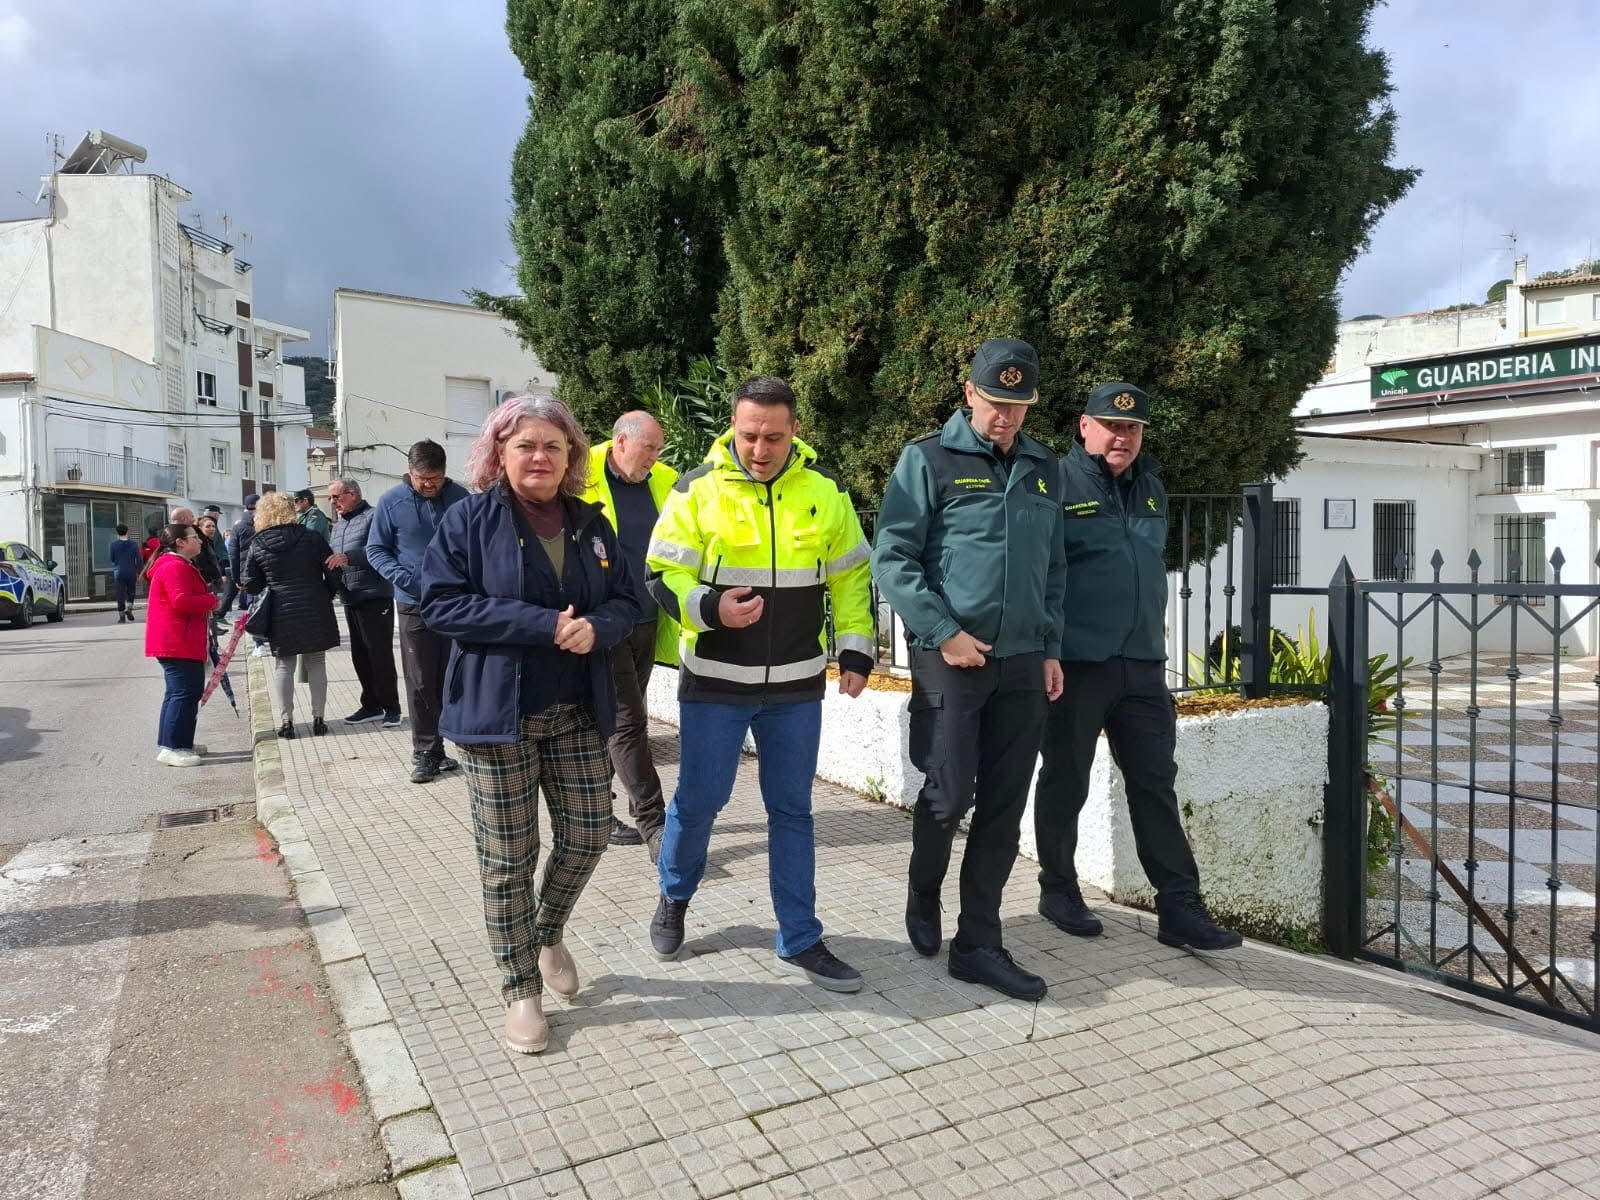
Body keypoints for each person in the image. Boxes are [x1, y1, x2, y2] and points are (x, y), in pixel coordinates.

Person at [421, 395, 641, 1055]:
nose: (540, 457)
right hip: (496, 717)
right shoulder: (468, 521)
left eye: (553, 445)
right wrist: (543, 625)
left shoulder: (591, 525)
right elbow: (441, 603)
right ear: (500, 453)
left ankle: (545, 933)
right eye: (525, 446)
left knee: (588, 837)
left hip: (576, 710)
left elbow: (631, 600)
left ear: (572, 454)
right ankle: (521, 989)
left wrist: (597, 627)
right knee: (507, 862)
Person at [645, 376, 876, 992]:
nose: (760, 448)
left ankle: (800, 937)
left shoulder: (825, 492)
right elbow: (659, 573)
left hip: (797, 688)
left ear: (794, 430)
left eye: (774, 436)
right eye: (749, 435)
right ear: (733, 427)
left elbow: (853, 576)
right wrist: (711, 608)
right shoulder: (697, 490)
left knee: (792, 811)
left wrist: (856, 646)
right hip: (716, 685)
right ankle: (674, 895)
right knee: (699, 804)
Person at [871, 338, 1066, 1001]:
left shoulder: (1045, 468)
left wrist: (1050, 647)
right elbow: (893, 557)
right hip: (952, 655)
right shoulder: (928, 458)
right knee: (950, 795)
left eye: (1017, 406)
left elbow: (1055, 568)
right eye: (994, 403)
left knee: (1005, 808)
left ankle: (978, 943)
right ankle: (923, 893)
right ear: (969, 394)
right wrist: (944, 632)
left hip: (1022, 660)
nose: (1005, 418)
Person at [1032, 382, 1242, 951]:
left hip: (1144, 665)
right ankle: (1057, 888)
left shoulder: (1151, 488)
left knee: (1155, 784)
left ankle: (1180, 908)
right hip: (1077, 664)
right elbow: (1042, 572)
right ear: (1084, 426)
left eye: (1132, 428)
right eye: (1110, 425)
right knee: (1065, 780)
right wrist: (1049, 648)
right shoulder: (1053, 480)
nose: (1121, 435)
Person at [578, 411, 678, 859]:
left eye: (658, 450)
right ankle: (655, 824)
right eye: (649, 449)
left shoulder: (666, 481)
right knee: (628, 720)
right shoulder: (581, 474)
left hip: (648, 619)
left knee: (614, 722)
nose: (655, 459)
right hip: (605, 621)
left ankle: (596, 811)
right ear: (621, 441)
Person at [367, 440, 470, 783]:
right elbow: (376, 550)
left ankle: (469, 746)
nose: (428, 485)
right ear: (410, 473)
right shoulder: (391, 503)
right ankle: (427, 751)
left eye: (435, 478)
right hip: (414, 603)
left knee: (462, 676)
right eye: (421, 478)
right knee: (422, 679)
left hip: (458, 602)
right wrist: (405, 578)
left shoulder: (462, 500)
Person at [242, 492, 340, 739]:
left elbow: (250, 584)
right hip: (314, 604)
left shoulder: (258, 543)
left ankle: (287, 722)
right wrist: (325, 593)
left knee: (284, 665)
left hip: (280, 608)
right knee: (317, 661)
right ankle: (319, 719)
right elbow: (332, 570)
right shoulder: (312, 537)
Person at [325, 477, 401, 727]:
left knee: (379, 654)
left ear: (353, 494)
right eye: (331, 497)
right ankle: (371, 704)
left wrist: (349, 557)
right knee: (360, 655)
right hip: (351, 596)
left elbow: (380, 550)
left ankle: (392, 707)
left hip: (374, 595)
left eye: (336, 496)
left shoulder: (374, 516)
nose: (332, 502)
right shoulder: (338, 526)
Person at [144, 523, 218, 767]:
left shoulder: (177, 564)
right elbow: (181, 601)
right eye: (193, 537)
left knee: (181, 693)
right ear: (180, 542)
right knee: (183, 693)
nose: (199, 541)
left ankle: (179, 742)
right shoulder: (175, 566)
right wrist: (210, 600)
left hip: (178, 639)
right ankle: (173, 747)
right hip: (177, 641)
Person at [227, 494, 260, 647]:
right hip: (266, 571)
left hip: (247, 574)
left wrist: (236, 579)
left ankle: (258, 641)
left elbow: (233, 555)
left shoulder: (238, 527)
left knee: (253, 605)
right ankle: (263, 638)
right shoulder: (267, 523)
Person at [109, 524, 142, 623]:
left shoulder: (113, 545)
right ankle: (129, 608)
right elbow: (139, 560)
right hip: (131, 571)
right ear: (127, 532)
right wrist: (139, 571)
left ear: (117, 533)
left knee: (120, 593)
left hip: (118, 572)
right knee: (131, 591)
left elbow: (112, 559)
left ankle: (122, 616)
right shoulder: (134, 544)